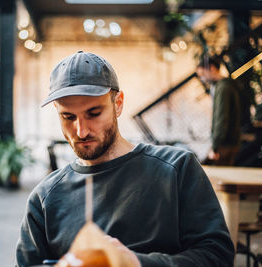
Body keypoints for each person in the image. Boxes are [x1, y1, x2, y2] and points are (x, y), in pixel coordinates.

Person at [16, 51, 235, 266]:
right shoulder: (45, 199)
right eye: (68, 117)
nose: (81, 131)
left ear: (118, 103)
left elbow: (217, 256)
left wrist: (136, 263)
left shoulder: (176, 170)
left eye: (94, 113)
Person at [196, 56, 242, 166]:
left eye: (202, 75)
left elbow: (221, 118)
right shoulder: (225, 85)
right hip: (229, 141)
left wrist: (215, 147)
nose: (203, 79)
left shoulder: (223, 88)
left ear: (212, 68)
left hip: (225, 144)